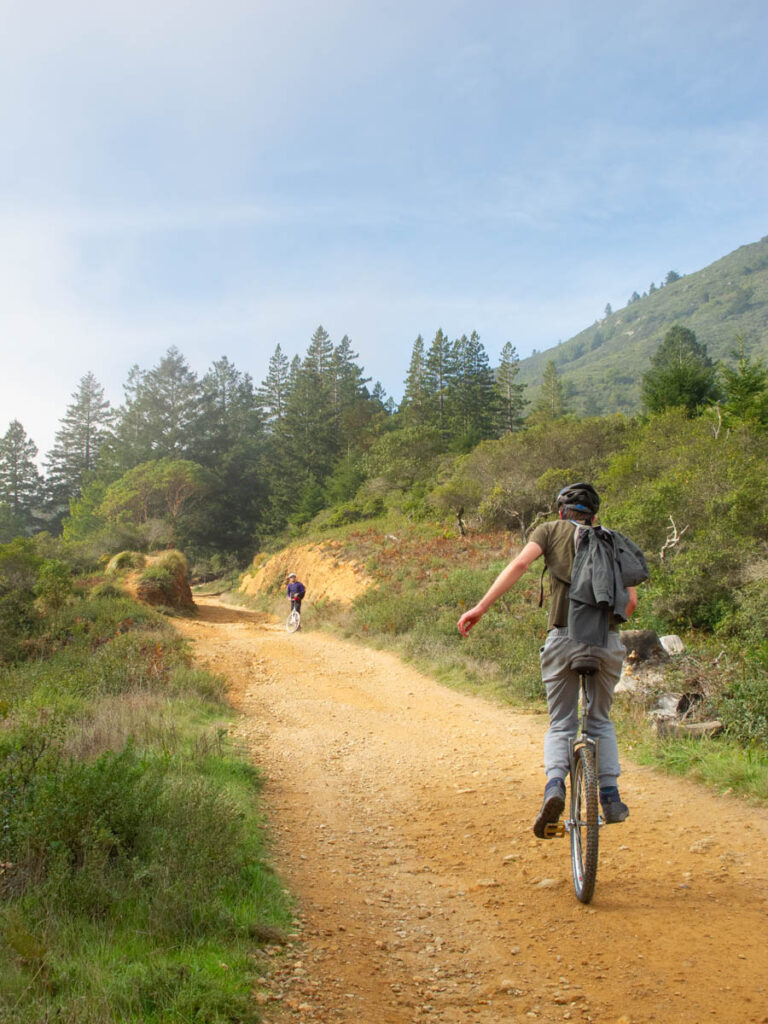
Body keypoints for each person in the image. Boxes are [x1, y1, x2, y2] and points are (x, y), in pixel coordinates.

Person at [457, 482, 644, 839]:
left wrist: (480, 607)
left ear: (561, 512)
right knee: (600, 720)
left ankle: (555, 785)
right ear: (594, 516)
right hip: (607, 642)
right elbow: (631, 603)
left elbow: (521, 563)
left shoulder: (548, 530)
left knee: (561, 724)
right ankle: (610, 795)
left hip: (562, 638)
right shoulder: (611, 539)